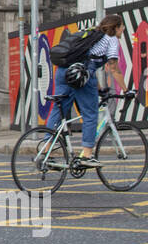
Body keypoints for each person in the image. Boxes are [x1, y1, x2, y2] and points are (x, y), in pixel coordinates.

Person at [46, 14, 127, 167]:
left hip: (63, 71)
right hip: (79, 74)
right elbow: (113, 67)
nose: (123, 29)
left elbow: (90, 65)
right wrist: (126, 90)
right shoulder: (111, 40)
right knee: (90, 114)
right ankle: (87, 156)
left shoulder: (92, 34)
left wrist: (100, 89)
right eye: (122, 26)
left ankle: (46, 151)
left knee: (58, 110)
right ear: (115, 27)